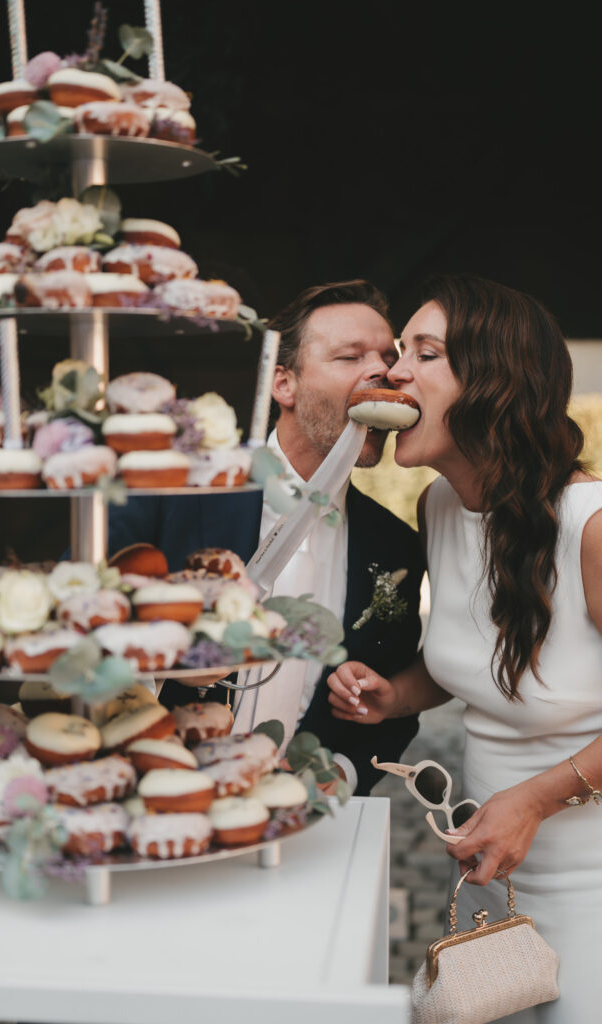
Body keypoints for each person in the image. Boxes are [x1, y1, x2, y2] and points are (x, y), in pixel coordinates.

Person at [327, 273, 602, 1021]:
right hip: (488, 879)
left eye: (424, 352)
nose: (393, 372)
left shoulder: (590, 525)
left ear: (493, 383)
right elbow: (475, 668)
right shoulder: (440, 503)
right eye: (397, 352)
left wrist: (535, 802)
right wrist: (397, 693)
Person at [108, 279, 425, 794]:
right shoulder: (170, 489)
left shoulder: (397, 545)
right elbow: (77, 636)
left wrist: (339, 774)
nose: (382, 373)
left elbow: (394, 705)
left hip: (301, 833)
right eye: (350, 356)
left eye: (388, 358)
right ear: (284, 384)